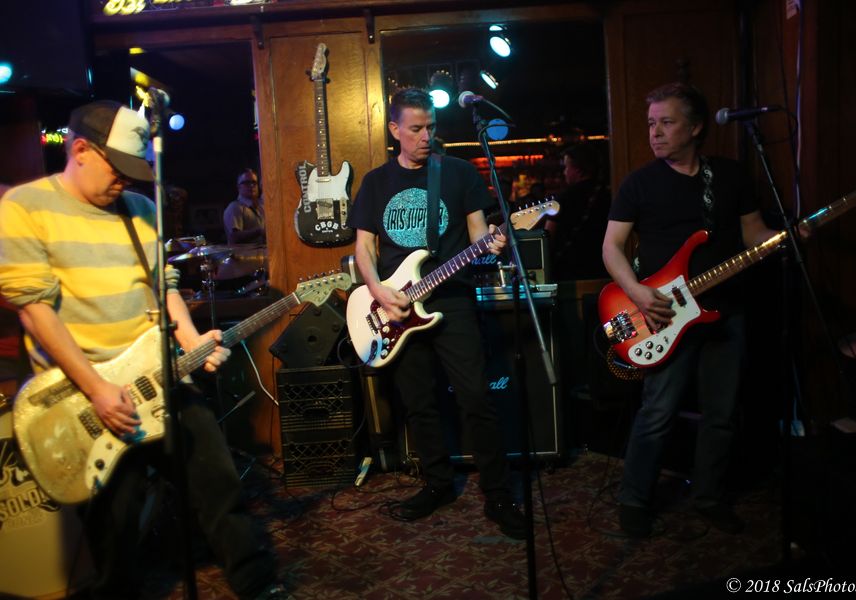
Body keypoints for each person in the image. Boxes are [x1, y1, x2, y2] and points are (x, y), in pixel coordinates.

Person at [0, 100, 291, 600]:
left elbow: (165, 286)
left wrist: (190, 339)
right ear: (80, 150)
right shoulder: (25, 207)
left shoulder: (141, 209)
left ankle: (257, 582)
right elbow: (35, 310)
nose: (125, 182)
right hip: (85, 394)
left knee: (218, 481)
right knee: (115, 522)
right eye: (116, 168)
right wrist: (96, 389)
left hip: (161, 376)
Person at [602, 82, 781, 537]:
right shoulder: (639, 183)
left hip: (725, 309)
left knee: (722, 413)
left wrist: (787, 238)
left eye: (667, 122)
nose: (655, 132)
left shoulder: (730, 176)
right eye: (651, 123)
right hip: (663, 314)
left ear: (696, 127)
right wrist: (637, 293)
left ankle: (709, 497)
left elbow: (753, 234)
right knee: (657, 412)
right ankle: (633, 501)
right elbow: (612, 247)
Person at [347, 87, 527, 539]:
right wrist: (378, 290)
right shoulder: (376, 182)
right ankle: (437, 483)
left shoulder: (459, 173)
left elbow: (478, 235)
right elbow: (363, 247)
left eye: (431, 127)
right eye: (416, 128)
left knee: (476, 398)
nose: (426, 136)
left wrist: (494, 242)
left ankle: (498, 494)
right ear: (395, 130)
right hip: (395, 307)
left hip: (452, 301)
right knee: (418, 402)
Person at [546, 143, 610, 280]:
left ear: (579, 170)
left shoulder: (564, 198)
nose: (564, 172)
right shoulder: (608, 193)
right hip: (603, 266)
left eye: (566, 167)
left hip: (568, 269)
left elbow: (548, 235)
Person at [223, 168, 266, 245]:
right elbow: (234, 237)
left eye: (254, 182)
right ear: (238, 187)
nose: (251, 185)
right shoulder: (234, 207)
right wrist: (259, 231)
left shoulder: (261, 207)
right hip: (244, 253)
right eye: (246, 183)